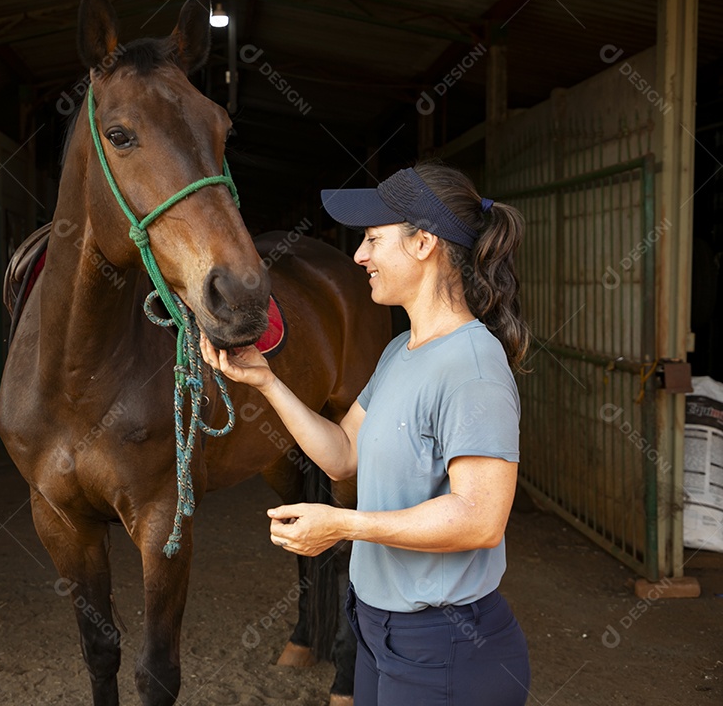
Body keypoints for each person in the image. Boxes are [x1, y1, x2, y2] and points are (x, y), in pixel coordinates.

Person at [200, 161, 532, 705]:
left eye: (374, 239)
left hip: (444, 642)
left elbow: (480, 518)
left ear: (424, 242)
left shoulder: (473, 366)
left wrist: (341, 524)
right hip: (379, 630)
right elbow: (344, 455)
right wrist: (266, 381)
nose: (359, 256)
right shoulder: (400, 351)